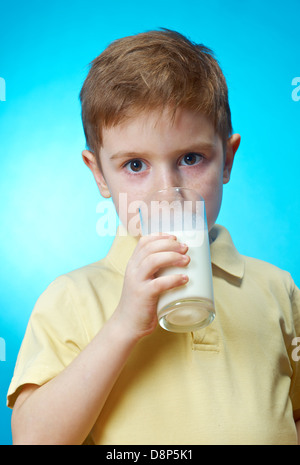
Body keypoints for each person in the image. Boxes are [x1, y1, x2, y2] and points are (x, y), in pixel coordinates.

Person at [7, 29, 300, 445]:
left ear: (228, 159)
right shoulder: (72, 298)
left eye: (190, 158)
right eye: (135, 165)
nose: (168, 190)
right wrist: (123, 324)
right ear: (99, 174)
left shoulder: (278, 289)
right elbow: (33, 440)